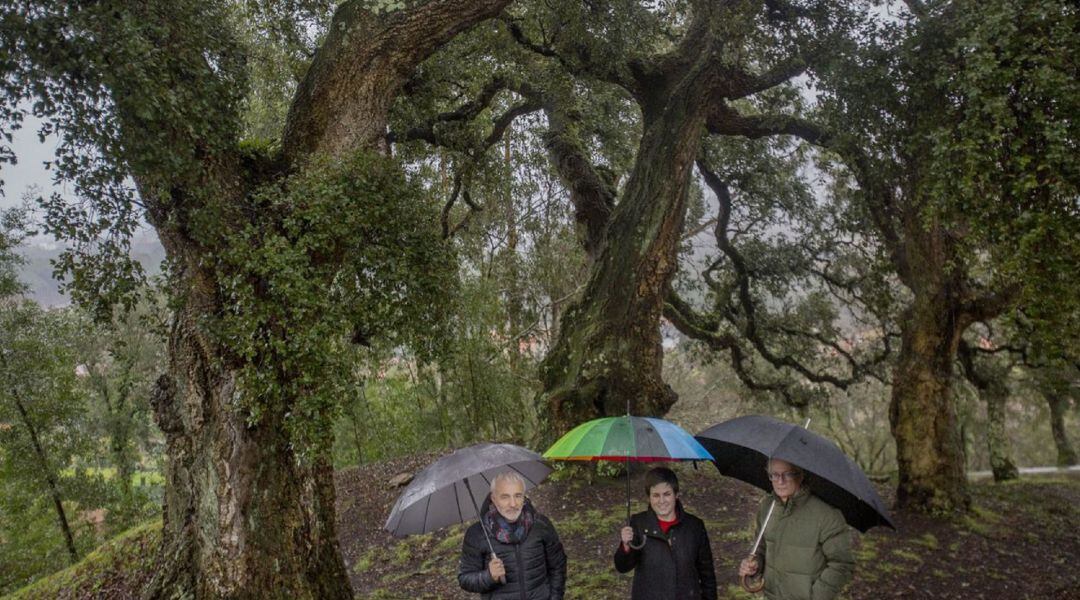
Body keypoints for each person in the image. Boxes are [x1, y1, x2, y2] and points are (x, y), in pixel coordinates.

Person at [738, 459, 854, 600]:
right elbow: (761, 549)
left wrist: (817, 596)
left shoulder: (826, 514)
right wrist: (755, 566)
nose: (780, 481)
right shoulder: (767, 507)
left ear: (800, 475)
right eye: (774, 475)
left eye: (787, 474)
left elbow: (842, 564)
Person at [458, 471, 567, 600]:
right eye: (505, 497)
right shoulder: (477, 534)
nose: (513, 504)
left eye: (518, 495)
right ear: (493, 498)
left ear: (524, 497)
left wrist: (555, 598)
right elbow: (465, 578)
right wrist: (489, 576)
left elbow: (558, 566)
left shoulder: (541, 525)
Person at [613, 467, 717, 600]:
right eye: (656, 495)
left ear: (676, 494)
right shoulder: (638, 523)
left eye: (667, 494)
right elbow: (622, 567)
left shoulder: (695, 526)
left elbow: (707, 575)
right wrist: (625, 546)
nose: (661, 501)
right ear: (649, 497)